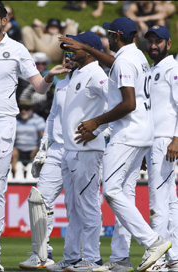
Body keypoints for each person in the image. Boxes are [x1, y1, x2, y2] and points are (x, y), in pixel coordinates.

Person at [0, 2, 69, 271]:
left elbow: (38, 87)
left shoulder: (18, 49)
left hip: (4, 125)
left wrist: (50, 76)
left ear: (5, 21)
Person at [59, 17, 172, 272]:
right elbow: (115, 64)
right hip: (144, 133)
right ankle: (121, 258)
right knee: (126, 194)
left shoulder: (125, 60)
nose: (108, 38)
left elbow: (128, 103)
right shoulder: (138, 56)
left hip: (127, 134)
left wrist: (95, 122)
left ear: (116, 36)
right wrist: (88, 49)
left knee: (111, 190)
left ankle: (152, 241)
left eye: (110, 34)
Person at [47, 31, 108, 272]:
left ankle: (92, 258)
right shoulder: (77, 75)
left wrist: (98, 127)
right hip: (70, 150)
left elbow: (118, 103)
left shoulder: (96, 74)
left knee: (89, 205)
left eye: (75, 47)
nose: (70, 52)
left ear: (90, 49)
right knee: (73, 207)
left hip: (87, 149)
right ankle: (72, 256)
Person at [18, 53, 77, 270]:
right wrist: (44, 148)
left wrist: (97, 136)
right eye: (65, 55)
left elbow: (107, 113)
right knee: (39, 201)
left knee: (77, 206)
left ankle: (86, 255)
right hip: (56, 150)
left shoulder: (94, 78)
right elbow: (52, 118)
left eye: (72, 54)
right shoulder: (60, 84)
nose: (69, 59)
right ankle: (41, 254)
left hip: (80, 150)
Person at [142, 25, 178, 272]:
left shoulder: (173, 68)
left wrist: (176, 138)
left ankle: (160, 259)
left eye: (158, 41)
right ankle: (173, 256)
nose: (153, 45)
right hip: (154, 141)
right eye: (150, 41)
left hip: (165, 140)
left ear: (169, 43)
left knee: (158, 201)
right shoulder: (155, 68)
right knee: (170, 201)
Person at [19, 52, 60, 120]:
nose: (41, 66)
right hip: (24, 110)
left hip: (44, 111)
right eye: (38, 63)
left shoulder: (49, 74)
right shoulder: (23, 75)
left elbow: (59, 85)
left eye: (43, 63)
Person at [11, 99, 45, 176]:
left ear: (31, 109)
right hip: (17, 150)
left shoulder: (38, 120)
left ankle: (38, 174)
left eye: (26, 108)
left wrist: (38, 149)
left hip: (34, 150)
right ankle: (14, 175)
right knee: (10, 152)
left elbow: (44, 138)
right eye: (21, 108)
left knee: (42, 153)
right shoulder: (14, 120)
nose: (23, 111)